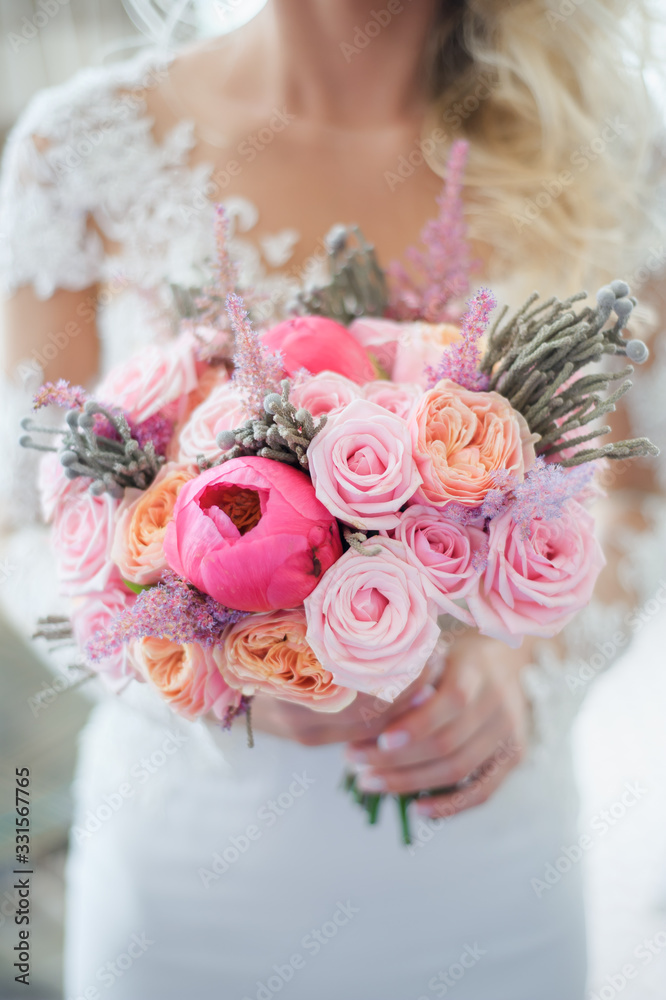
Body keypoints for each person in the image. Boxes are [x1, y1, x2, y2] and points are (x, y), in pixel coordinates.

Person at [1, 2, 664, 997]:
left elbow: (641, 494)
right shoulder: (81, 147)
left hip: (485, 877)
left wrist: (521, 666)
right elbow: (19, 521)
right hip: (191, 876)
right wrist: (200, 668)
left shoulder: (605, 147)